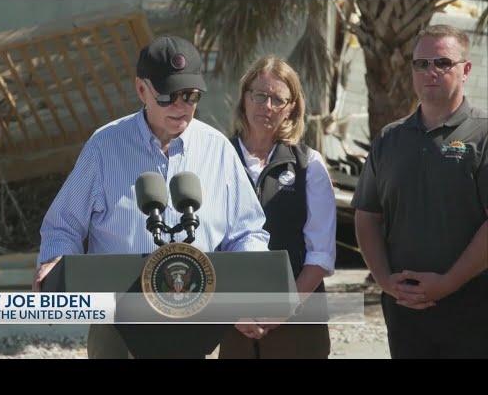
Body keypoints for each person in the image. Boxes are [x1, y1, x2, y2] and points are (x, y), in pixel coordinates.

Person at [32, 35, 271, 358]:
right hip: (118, 322)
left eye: (190, 96)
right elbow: (63, 226)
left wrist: (250, 287)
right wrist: (56, 262)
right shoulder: (105, 147)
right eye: (168, 96)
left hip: (196, 322)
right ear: (141, 90)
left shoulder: (218, 150)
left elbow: (247, 232)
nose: (180, 106)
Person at [352, 24, 488, 358]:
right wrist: (385, 280)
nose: (431, 72)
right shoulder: (390, 139)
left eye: (443, 63)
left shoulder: (482, 135)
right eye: (421, 64)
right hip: (405, 310)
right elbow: (368, 215)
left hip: (473, 308)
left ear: (466, 69)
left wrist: (447, 283)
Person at [218, 55, 336, 359]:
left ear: (292, 108)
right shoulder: (215, 159)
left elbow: (320, 253)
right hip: (234, 324)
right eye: (259, 95)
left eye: (277, 99)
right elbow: (202, 245)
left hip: (297, 324)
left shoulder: (308, 165)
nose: (267, 106)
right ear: (244, 98)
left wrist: (283, 308)